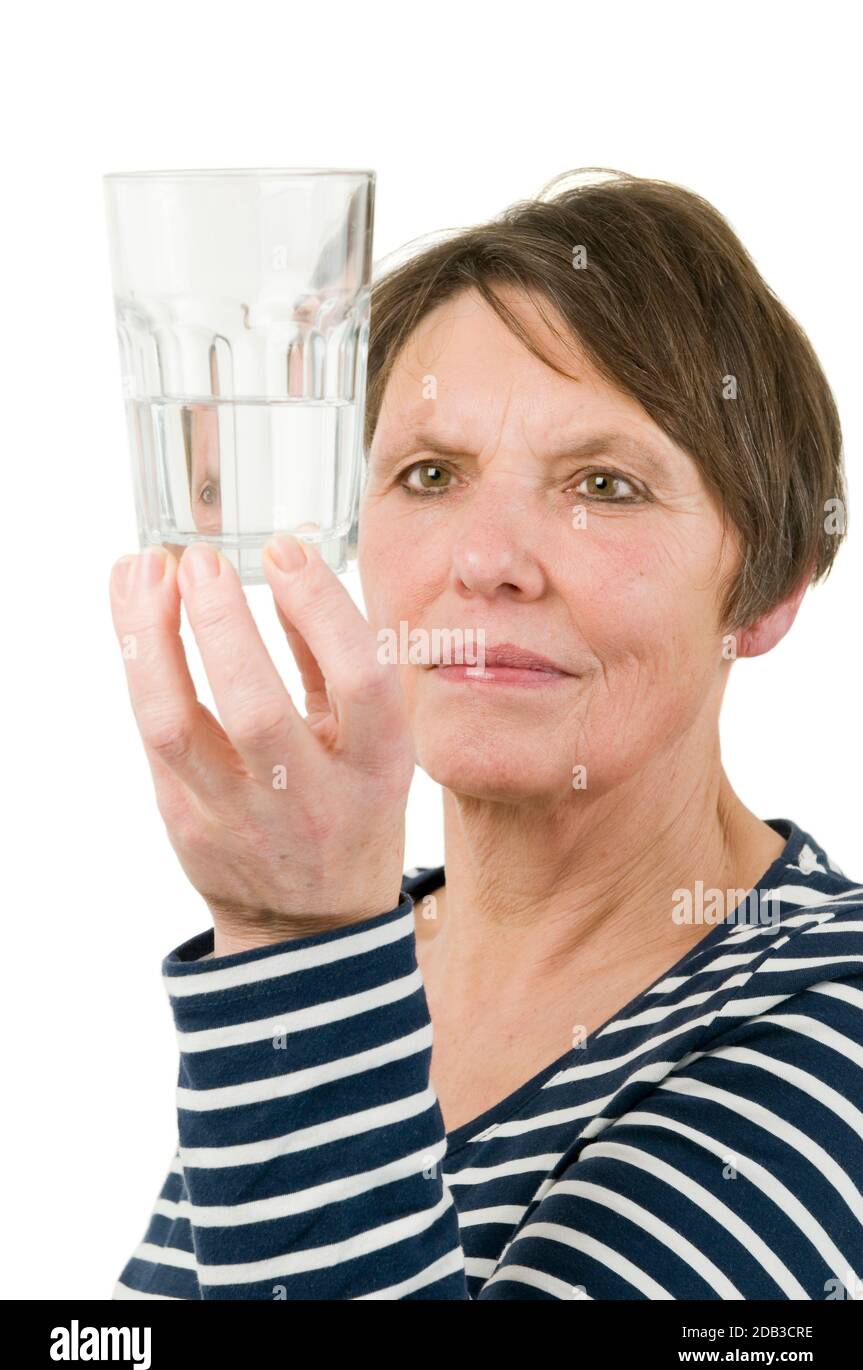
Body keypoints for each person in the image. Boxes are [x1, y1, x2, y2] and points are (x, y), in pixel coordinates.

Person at [108, 170, 863, 1300]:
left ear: (767, 590)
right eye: (429, 474)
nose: (486, 558)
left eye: (602, 484)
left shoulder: (827, 1017)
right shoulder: (374, 949)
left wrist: (291, 944)